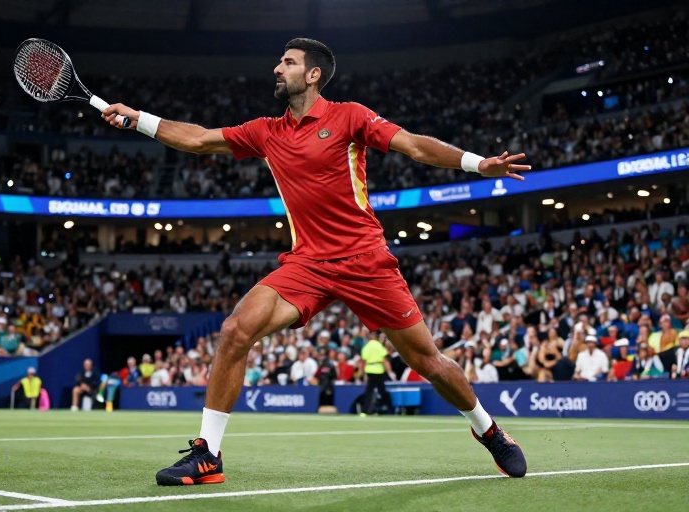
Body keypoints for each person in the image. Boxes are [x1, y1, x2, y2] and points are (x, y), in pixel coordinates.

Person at [102, 37, 529, 485]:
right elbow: (199, 140)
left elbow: (415, 147)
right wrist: (139, 120)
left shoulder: (350, 116)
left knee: (429, 363)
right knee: (235, 329)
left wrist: (479, 165)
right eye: (279, 62)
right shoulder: (267, 131)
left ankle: (489, 431)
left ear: (313, 75)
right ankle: (208, 456)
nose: (276, 69)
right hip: (307, 264)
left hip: (365, 259)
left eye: (288, 63)